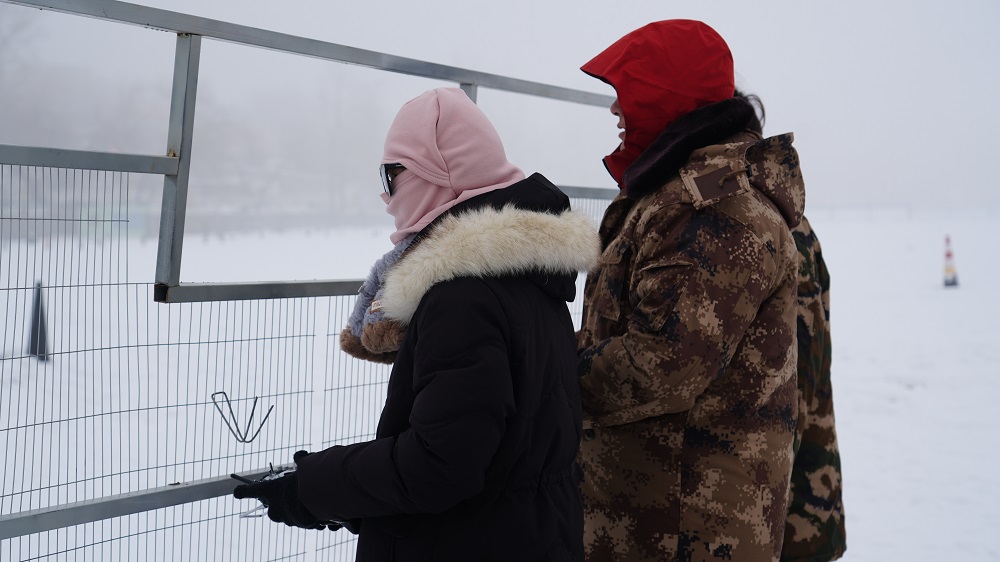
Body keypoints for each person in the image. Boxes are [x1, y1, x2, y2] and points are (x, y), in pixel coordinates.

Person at [233, 87, 599, 562]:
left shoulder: (464, 297)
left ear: (442, 174)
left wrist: (314, 486)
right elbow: (498, 459)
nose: (384, 196)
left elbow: (441, 467)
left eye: (392, 174)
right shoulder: (528, 276)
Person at [575, 20, 806, 561]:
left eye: (625, 94)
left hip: (687, 529)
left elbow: (661, 364)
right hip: (651, 513)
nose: (614, 111)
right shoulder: (674, 196)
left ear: (666, 97)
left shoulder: (715, 211)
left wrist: (540, 372)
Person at [784, 214, 847, 561]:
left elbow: (792, 400)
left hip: (794, 514)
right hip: (796, 512)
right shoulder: (790, 225)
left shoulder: (776, 231)